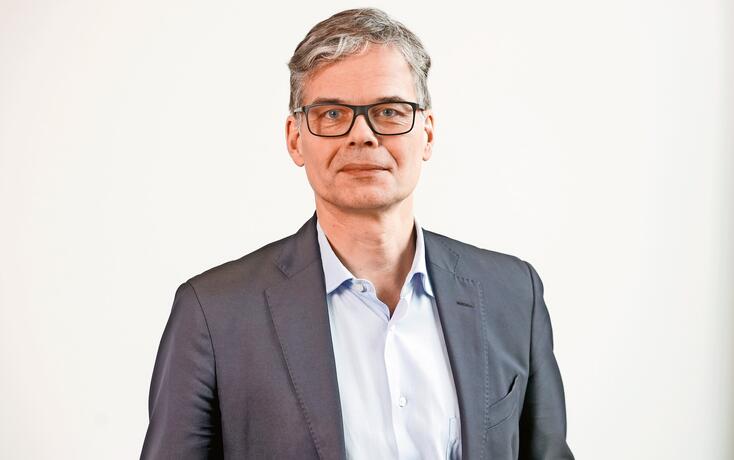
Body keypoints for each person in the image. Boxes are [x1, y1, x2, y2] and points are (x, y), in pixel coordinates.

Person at [141, 8, 574, 460]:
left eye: (389, 111)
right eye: (332, 114)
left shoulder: (512, 294)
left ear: (427, 133)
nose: (362, 135)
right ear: (295, 138)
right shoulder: (214, 314)